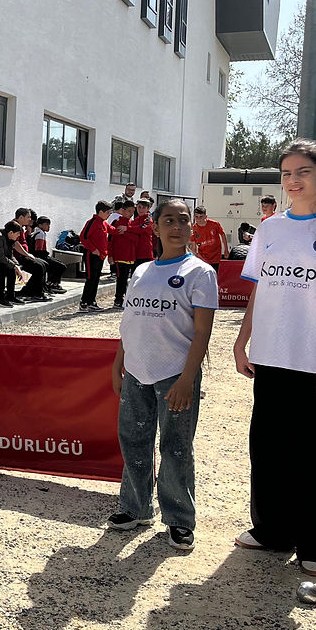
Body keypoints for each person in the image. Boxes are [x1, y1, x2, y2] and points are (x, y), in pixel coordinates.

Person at [233, 139, 316, 578]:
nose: (293, 181)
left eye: (303, 172)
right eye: (286, 174)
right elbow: (260, 289)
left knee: (307, 457)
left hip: (315, 362)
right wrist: (242, 341)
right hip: (270, 356)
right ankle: (272, 530)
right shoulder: (271, 228)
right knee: (267, 448)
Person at [107, 198, 218, 550]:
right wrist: (118, 365)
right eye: (168, 220)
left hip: (175, 375)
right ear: (154, 227)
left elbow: (202, 332)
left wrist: (187, 379)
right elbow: (130, 323)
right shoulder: (142, 272)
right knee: (134, 440)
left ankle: (179, 519)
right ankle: (135, 507)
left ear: (191, 227)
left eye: (183, 220)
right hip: (137, 372)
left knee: (176, 447)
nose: (176, 226)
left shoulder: (201, 273)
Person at [79, 201, 112, 310]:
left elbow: (113, 230)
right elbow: (83, 237)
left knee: (96, 278)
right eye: (107, 212)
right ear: (101, 212)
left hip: (100, 256)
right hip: (91, 255)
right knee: (90, 278)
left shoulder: (104, 223)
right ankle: (84, 302)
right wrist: (93, 249)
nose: (109, 215)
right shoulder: (92, 222)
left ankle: (91, 301)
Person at [9, 209, 48, 301]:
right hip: (17, 257)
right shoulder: (14, 226)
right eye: (28, 217)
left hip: (23, 255)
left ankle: (31, 290)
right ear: (21, 217)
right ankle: (35, 293)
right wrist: (27, 254)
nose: (30, 220)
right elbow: (15, 244)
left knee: (44, 264)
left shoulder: (21, 227)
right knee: (38, 267)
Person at [108, 199, 138, 307]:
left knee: (128, 279)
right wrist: (110, 255)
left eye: (132, 211)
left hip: (131, 256)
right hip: (119, 256)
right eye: (129, 211)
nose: (131, 214)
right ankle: (118, 299)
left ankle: (126, 298)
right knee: (121, 279)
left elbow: (136, 239)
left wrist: (126, 232)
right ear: (123, 210)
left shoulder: (132, 224)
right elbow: (110, 240)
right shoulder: (116, 222)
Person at [31, 216, 66, 293]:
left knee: (57, 264)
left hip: (41, 254)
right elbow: (38, 249)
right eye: (46, 224)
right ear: (40, 225)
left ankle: (51, 283)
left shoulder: (39, 232)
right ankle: (52, 284)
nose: (48, 227)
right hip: (40, 255)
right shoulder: (40, 234)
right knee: (60, 266)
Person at [191, 206, 227, 270]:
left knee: (214, 274)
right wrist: (194, 257)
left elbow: (222, 234)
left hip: (215, 257)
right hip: (202, 258)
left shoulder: (214, 224)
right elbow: (193, 246)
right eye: (196, 217)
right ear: (194, 217)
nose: (199, 219)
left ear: (205, 216)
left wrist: (226, 250)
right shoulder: (194, 229)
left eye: (201, 217)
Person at [131, 196, 155, 268]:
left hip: (145, 253)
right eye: (139, 207)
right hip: (135, 252)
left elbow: (141, 229)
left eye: (143, 207)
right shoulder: (136, 220)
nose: (141, 209)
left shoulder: (148, 220)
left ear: (148, 208)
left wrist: (127, 228)